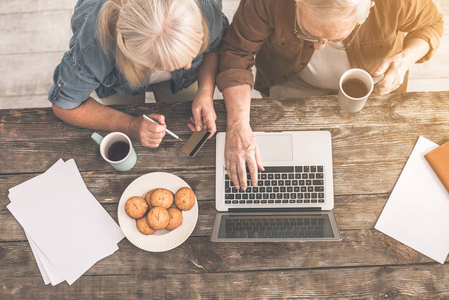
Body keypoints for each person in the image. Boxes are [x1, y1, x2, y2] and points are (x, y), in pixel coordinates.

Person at [216, 0, 444, 191]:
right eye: (306, 33)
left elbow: (431, 24)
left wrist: (405, 59)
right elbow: (236, 53)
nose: (319, 47)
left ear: (368, 10)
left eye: (331, 40)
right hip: (291, 82)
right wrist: (237, 124)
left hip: (374, 88)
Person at [48, 0, 228, 148]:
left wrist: (205, 91)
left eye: (194, 53)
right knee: (121, 107)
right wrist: (129, 125)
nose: (189, 65)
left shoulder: (204, 8)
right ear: (130, 55)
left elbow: (214, 49)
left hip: (182, 82)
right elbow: (64, 105)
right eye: (164, 65)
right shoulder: (95, 47)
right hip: (119, 85)